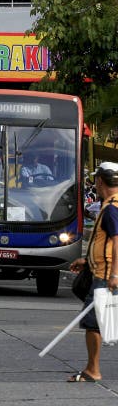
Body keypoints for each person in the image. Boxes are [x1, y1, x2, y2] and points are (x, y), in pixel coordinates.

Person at [68, 161, 118, 382]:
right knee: (101, 322)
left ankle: (92, 370)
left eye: (95, 180)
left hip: (105, 277)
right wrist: (86, 261)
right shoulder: (111, 205)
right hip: (102, 272)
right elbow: (104, 244)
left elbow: (117, 242)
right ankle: (92, 368)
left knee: (93, 323)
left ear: (99, 181)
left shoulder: (111, 209)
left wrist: (115, 274)